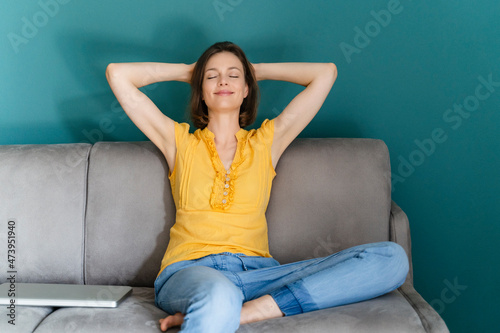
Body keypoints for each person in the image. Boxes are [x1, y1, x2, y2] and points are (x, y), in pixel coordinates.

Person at [106, 41, 409, 332]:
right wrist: (190, 71)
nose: (223, 80)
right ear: (200, 91)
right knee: (218, 293)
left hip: (261, 275)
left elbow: (326, 73)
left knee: (391, 259)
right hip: (192, 271)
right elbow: (117, 74)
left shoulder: (267, 142)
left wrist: (256, 69)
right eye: (212, 76)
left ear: (247, 89)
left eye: (234, 75)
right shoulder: (178, 141)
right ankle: (224, 306)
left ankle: (245, 312)